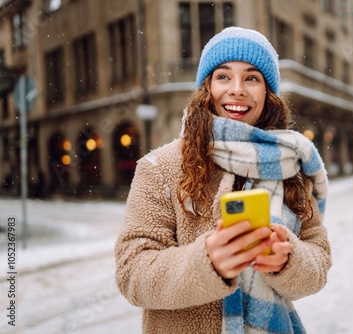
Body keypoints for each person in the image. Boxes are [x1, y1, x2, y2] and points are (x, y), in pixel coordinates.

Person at [115, 27, 332, 334]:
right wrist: (207, 263)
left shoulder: (289, 165)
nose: (237, 89)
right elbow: (132, 273)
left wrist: (288, 259)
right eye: (223, 76)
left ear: (267, 93)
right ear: (207, 86)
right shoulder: (159, 167)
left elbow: (319, 261)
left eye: (252, 78)